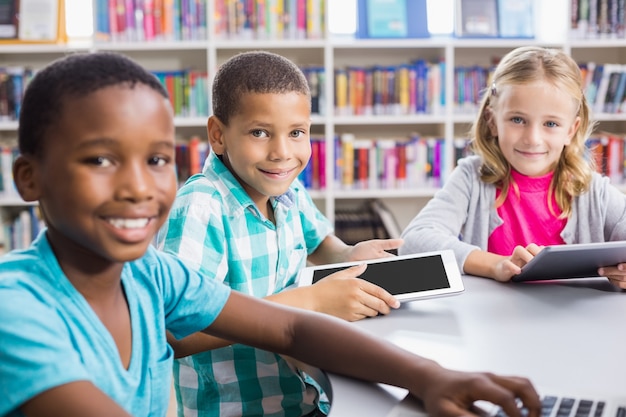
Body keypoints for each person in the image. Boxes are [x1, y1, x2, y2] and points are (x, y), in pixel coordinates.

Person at [0, 51, 541, 417]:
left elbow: (290, 333)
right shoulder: (17, 310)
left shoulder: (151, 275)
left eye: (157, 159)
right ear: (29, 178)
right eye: (100, 160)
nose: (139, 187)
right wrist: (314, 299)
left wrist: (428, 377)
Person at [155, 50, 404, 417]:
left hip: (301, 395)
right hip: (237, 408)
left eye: (297, 133)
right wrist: (311, 303)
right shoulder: (201, 206)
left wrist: (349, 255)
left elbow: (321, 244)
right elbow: (176, 332)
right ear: (218, 135)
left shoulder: (286, 190)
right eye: (260, 132)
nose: (282, 153)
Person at [399, 46, 626, 289]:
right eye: (517, 120)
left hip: (577, 321)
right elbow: (414, 240)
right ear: (492, 121)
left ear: (570, 130)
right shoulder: (471, 178)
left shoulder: (594, 191)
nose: (532, 138)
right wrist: (496, 264)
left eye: (550, 123)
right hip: (493, 321)